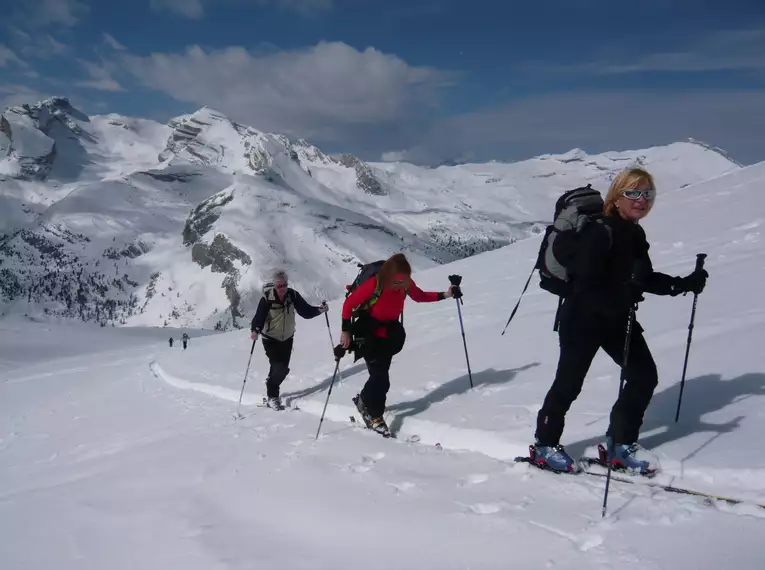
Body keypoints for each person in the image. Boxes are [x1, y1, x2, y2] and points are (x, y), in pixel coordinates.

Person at [531, 167, 708, 474]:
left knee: (643, 376)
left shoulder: (634, 233)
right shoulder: (601, 231)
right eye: (633, 193)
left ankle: (620, 444)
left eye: (647, 194)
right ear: (617, 196)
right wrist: (620, 293)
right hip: (583, 318)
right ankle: (545, 445)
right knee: (569, 383)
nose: (642, 200)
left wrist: (682, 284)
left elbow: (645, 277)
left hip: (616, 317)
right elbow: (584, 283)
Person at [339, 253, 457, 437]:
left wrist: (446, 294)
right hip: (369, 334)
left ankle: (364, 400)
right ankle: (374, 416)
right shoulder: (375, 284)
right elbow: (348, 305)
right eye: (397, 282)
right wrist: (346, 331)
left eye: (403, 281)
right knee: (381, 378)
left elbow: (420, 296)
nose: (400, 285)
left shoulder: (404, 282)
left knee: (379, 376)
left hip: (388, 335)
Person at [250, 269, 328, 410]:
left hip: (287, 338)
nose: (283, 288)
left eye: (285, 285)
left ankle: (272, 387)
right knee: (279, 368)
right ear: (274, 286)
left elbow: (305, 311)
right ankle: (272, 396)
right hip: (270, 338)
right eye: (279, 286)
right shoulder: (267, 299)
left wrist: (319, 310)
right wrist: (255, 330)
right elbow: (258, 318)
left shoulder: (292, 295)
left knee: (281, 369)